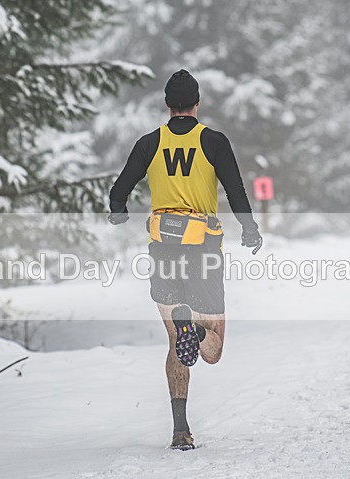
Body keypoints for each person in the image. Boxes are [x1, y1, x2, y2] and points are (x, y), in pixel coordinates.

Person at [108, 69, 263, 450]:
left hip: (162, 247)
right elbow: (235, 189)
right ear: (197, 104)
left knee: (175, 341)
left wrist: (118, 212)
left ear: (167, 105)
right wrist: (249, 229)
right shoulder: (212, 141)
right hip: (203, 249)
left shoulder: (149, 143)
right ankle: (195, 331)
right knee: (213, 349)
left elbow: (119, 190)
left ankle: (180, 430)